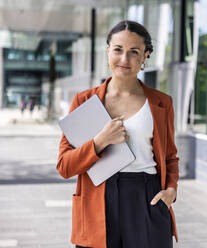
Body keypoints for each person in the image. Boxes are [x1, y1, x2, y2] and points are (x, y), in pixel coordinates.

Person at [56, 20, 179, 248]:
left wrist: (170, 191)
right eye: (118, 50)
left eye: (134, 52)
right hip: (97, 197)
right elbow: (64, 166)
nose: (124, 60)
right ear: (107, 51)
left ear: (145, 56)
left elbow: (170, 157)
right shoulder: (84, 101)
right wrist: (100, 142)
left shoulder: (162, 103)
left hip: (147, 198)